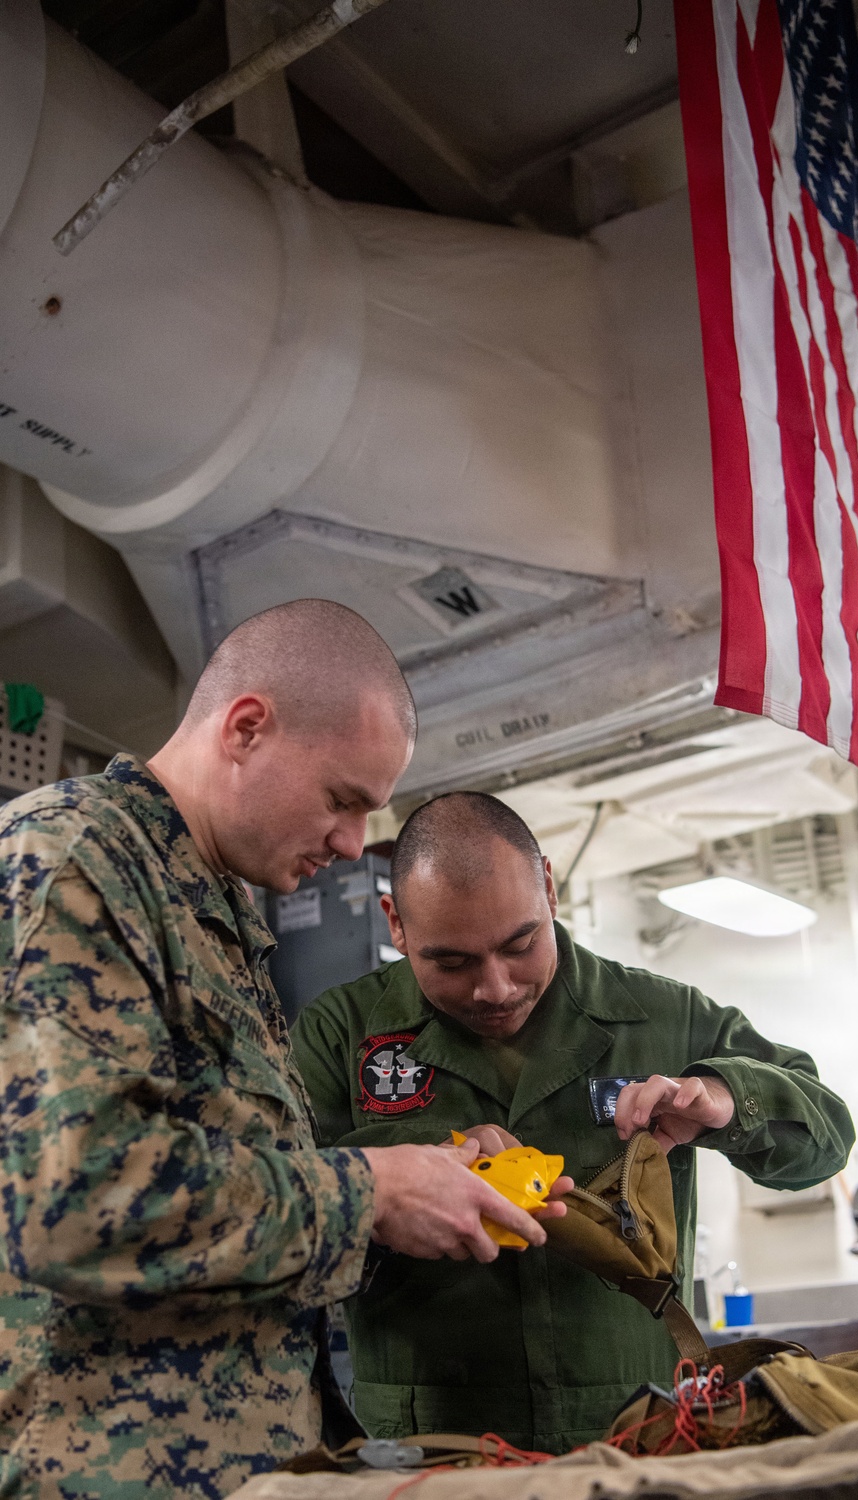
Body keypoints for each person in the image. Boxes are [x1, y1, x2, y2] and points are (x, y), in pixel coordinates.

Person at [0, 602, 564, 1500]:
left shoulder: (214, 911)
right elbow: (74, 1196)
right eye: (343, 801)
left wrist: (422, 1184)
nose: (351, 846)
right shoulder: (75, 862)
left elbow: (235, 1197)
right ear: (247, 728)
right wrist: (370, 1190)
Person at [292, 791, 856, 1452]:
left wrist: (727, 1097)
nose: (495, 988)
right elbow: (280, 1191)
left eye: (520, 945)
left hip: (638, 1428)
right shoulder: (341, 1035)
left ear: (550, 891)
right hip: (435, 1443)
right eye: (452, 962)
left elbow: (826, 1141)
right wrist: (412, 1159)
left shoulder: (657, 1017)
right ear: (396, 924)